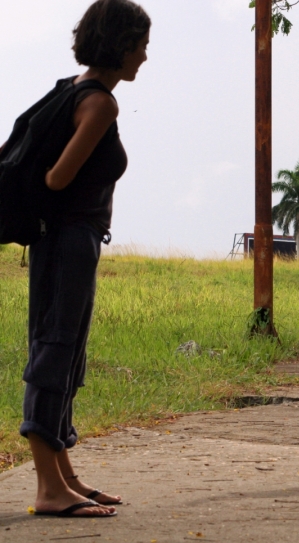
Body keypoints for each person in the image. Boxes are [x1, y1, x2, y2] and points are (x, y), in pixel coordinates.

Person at [3, 0, 150, 518]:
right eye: (140, 45)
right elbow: (58, 178)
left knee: (69, 353)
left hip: (71, 242)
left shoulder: (73, 87)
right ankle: (47, 489)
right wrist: (65, 214)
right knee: (54, 350)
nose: (145, 56)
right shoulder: (100, 104)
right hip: (68, 241)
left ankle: (65, 476)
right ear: (120, 45)